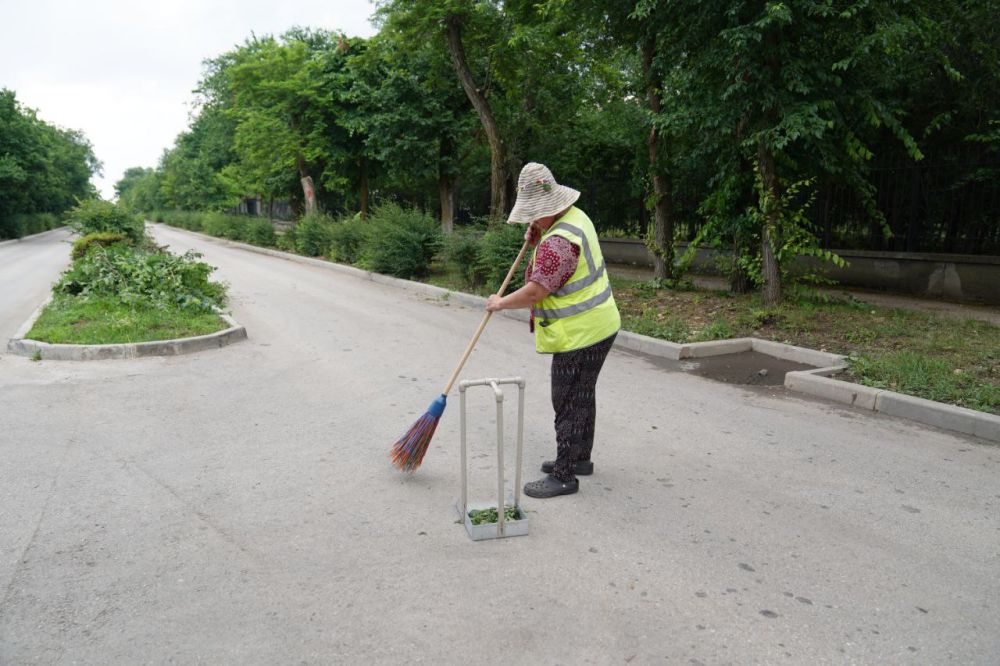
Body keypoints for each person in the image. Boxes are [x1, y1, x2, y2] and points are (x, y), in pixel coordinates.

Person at [486, 162, 621, 498]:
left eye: (534, 215)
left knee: (567, 400)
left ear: (546, 209)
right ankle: (579, 459)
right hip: (601, 324)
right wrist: (537, 237)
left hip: (581, 333)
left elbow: (536, 291)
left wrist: (499, 303)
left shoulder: (558, 242)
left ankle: (564, 475)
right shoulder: (574, 217)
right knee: (583, 393)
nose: (532, 221)